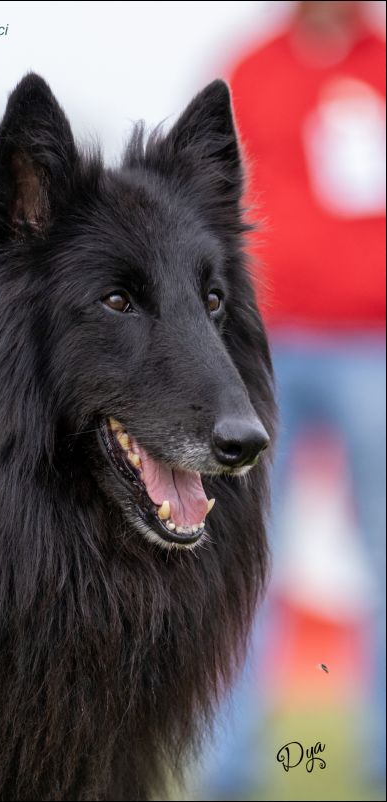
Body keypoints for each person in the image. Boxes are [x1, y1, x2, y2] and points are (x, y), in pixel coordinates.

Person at [201, 2, 386, 797]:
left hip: (371, 344)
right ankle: (229, 766)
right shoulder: (251, 69)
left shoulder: (380, 66)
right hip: (264, 347)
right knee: (240, 558)